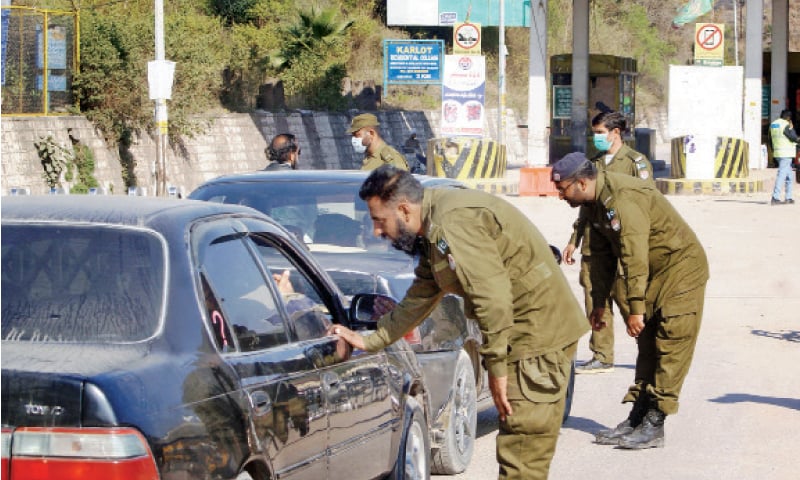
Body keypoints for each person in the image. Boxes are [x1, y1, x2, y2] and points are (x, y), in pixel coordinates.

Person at [328, 165, 588, 478]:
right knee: (519, 455)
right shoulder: (434, 225)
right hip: (522, 335)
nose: (377, 232)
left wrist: (498, 368)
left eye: (378, 220)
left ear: (403, 209)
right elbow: (420, 296)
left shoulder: (453, 222)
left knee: (523, 453)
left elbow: (493, 298)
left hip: (537, 338)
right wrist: (373, 339)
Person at [551, 152, 709, 450]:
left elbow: (633, 256)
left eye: (562, 189)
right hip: (653, 271)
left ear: (582, 183)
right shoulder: (594, 203)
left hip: (680, 269)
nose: (559, 195)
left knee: (670, 342)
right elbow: (600, 258)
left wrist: (636, 308)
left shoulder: (623, 198)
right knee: (647, 343)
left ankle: (655, 422)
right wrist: (599, 304)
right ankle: (637, 415)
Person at [564, 111, 655, 374]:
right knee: (596, 300)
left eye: (601, 132)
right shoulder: (593, 164)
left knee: (631, 301)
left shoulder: (636, 163)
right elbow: (584, 204)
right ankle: (602, 355)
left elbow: (647, 203)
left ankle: (652, 352)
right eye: (595, 133)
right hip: (595, 244)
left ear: (616, 133)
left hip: (623, 244)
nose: (597, 138)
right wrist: (574, 240)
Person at [768, 109, 798, 205]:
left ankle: (788, 197)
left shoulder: (773, 124)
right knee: (782, 175)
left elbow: (770, 139)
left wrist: (773, 151)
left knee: (789, 175)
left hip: (778, 153)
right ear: (788, 118)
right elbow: (793, 137)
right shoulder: (786, 124)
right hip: (786, 154)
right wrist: (792, 128)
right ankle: (775, 197)